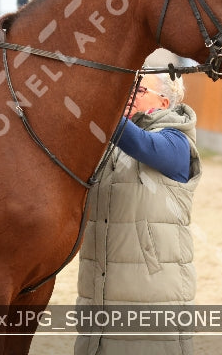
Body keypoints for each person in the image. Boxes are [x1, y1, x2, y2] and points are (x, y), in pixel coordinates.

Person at [75, 72, 201, 355]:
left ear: (164, 101)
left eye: (139, 89)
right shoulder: (107, 144)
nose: (129, 94)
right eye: (128, 87)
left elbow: (143, 145)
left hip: (153, 303)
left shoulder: (177, 142)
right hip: (98, 297)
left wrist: (97, 104)